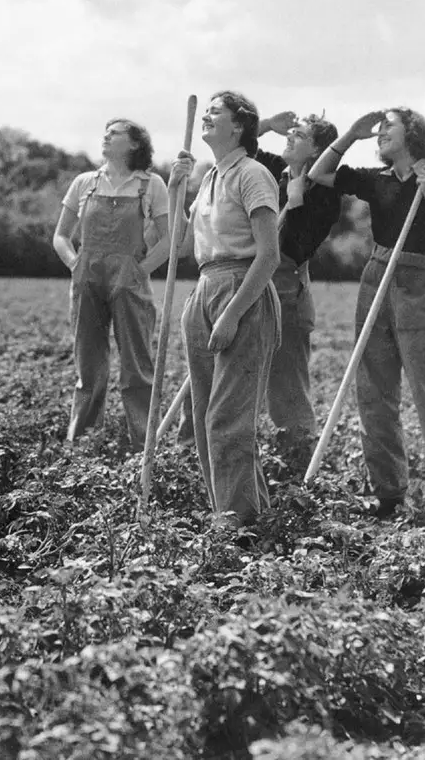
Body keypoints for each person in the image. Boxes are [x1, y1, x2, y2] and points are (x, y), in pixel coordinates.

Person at [311, 107, 425, 518]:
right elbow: (319, 174)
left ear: (414, 132)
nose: (382, 131)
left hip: (417, 280)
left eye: (390, 125)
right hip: (376, 277)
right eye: (380, 127)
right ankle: (387, 494)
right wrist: (351, 133)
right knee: (373, 390)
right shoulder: (377, 180)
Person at [168, 90, 282, 528]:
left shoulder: (253, 175)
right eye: (207, 112)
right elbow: (178, 244)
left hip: (243, 289)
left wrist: (233, 313)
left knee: (227, 419)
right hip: (204, 286)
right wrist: (177, 188)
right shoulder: (210, 177)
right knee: (202, 415)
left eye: (217, 112)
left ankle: (238, 527)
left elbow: (268, 255)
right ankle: (243, 515)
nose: (207, 118)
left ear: (239, 126)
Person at [53, 119, 171, 450]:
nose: (106, 136)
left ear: (134, 144)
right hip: (87, 278)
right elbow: (61, 235)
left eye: (115, 133)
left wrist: (140, 269)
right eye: (106, 132)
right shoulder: (84, 183)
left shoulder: (151, 185)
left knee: (137, 369)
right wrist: (74, 262)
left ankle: (143, 449)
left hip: (129, 283)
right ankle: (82, 447)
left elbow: (169, 239)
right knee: (88, 369)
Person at [251, 111, 344, 472]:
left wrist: (297, 201)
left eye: (299, 134)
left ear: (317, 150)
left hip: (287, 294)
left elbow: (297, 244)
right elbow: (240, 148)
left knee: (286, 391)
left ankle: (298, 471)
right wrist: (266, 125)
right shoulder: (271, 170)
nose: (289, 136)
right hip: (249, 285)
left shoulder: (324, 193)